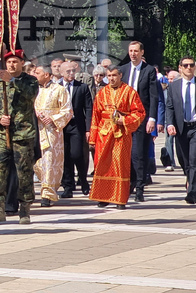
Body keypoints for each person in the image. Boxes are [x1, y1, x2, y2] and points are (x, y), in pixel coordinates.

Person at [0, 50, 39, 224]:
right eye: (8, 62)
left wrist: (13, 82)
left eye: (15, 62)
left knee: (24, 173)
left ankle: (24, 209)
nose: (11, 65)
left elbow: (30, 96)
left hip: (22, 134)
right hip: (1, 135)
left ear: (22, 63)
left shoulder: (30, 81)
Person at [89, 66, 146, 208]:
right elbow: (95, 117)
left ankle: (119, 198)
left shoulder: (129, 92)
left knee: (120, 165)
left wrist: (124, 121)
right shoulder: (101, 93)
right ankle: (103, 197)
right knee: (102, 164)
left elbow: (140, 112)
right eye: (109, 76)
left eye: (114, 75)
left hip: (121, 134)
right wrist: (92, 138)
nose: (111, 78)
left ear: (120, 75)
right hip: (104, 133)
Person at [165, 57, 196, 204]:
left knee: (194, 160)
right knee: (184, 160)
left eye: (191, 65)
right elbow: (170, 106)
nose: (189, 68)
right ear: (180, 68)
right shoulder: (174, 86)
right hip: (181, 128)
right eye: (185, 65)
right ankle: (189, 179)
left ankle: (193, 192)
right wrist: (170, 124)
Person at [119, 41, 158, 202]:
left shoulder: (148, 71)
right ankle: (130, 184)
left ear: (142, 52)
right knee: (126, 154)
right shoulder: (123, 70)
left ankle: (140, 188)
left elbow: (154, 96)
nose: (133, 54)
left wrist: (152, 119)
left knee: (138, 154)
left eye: (136, 51)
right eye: (130, 51)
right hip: (124, 120)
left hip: (141, 119)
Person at [33, 65, 73, 207]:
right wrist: (35, 113)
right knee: (35, 162)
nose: (34, 74)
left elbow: (67, 111)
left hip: (51, 132)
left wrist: (53, 119)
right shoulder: (33, 89)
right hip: (35, 130)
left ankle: (47, 194)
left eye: (37, 72)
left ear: (47, 74)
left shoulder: (60, 90)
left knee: (49, 162)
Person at [60, 61, 94, 198]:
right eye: (68, 71)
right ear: (61, 73)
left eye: (73, 71)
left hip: (77, 125)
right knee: (65, 156)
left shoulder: (82, 87)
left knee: (76, 154)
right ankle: (68, 186)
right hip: (61, 125)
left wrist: (88, 128)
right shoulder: (57, 88)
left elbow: (88, 108)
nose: (71, 74)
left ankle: (83, 179)